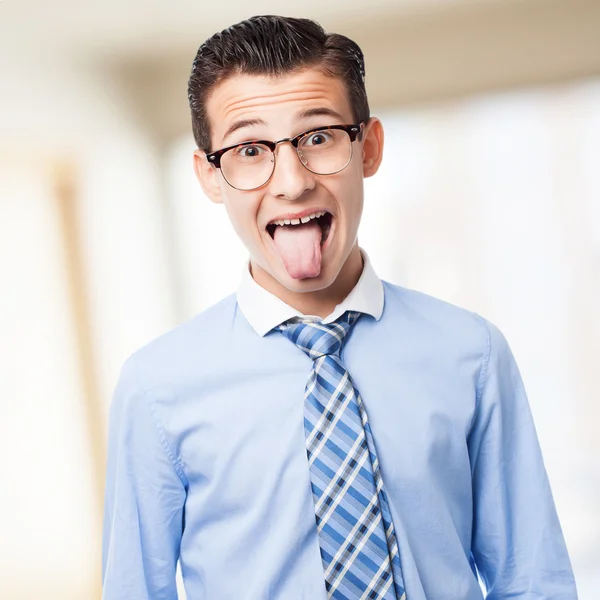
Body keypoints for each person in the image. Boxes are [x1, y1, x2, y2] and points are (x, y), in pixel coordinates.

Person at [101, 15, 577, 600]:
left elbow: (532, 580)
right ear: (210, 176)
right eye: (250, 149)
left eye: (319, 137)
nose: (292, 183)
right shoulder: (156, 387)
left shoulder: (471, 353)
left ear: (368, 147)